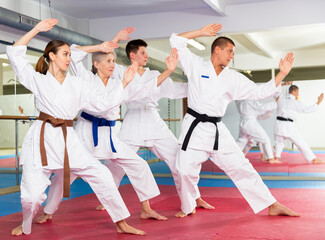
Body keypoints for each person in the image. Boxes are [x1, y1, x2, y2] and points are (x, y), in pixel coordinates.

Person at [7, 19, 144, 236]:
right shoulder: (37, 80)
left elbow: (102, 104)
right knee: (30, 197)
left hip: (68, 140)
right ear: (52, 56)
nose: (69, 59)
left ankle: (121, 221)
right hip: (42, 140)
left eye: (70, 55)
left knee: (102, 175)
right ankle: (26, 222)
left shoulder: (78, 84)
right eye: (65, 54)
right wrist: (35, 29)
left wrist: (124, 83)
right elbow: (15, 55)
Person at [36, 27, 177, 223]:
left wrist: (168, 71)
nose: (113, 65)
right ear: (96, 64)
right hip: (86, 134)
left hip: (109, 136)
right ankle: (48, 210)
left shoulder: (118, 83)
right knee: (65, 175)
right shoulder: (84, 78)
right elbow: (75, 52)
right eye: (109, 61)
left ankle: (145, 208)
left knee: (139, 165)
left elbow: (144, 91)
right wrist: (104, 44)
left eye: (113, 61)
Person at [169, 23, 300, 218]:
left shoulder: (233, 78)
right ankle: (189, 206)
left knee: (241, 166)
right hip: (194, 128)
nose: (232, 56)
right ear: (217, 50)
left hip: (216, 130)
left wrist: (281, 74)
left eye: (233, 53)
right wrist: (201, 33)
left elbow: (258, 92)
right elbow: (176, 42)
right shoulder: (195, 65)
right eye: (229, 51)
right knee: (183, 169)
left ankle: (271, 204)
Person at [105, 37, 214, 211]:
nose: (146, 55)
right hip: (132, 121)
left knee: (178, 161)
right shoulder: (120, 71)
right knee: (115, 163)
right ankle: (106, 198)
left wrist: (199, 85)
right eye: (143, 52)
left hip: (153, 121)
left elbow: (173, 90)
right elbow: (105, 64)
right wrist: (114, 40)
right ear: (132, 55)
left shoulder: (154, 75)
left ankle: (194, 197)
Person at [274, 84, 324, 163]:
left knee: (279, 142)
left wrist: (284, 84)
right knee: (301, 142)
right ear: (293, 91)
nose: (298, 94)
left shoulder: (280, 98)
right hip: (289, 125)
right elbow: (307, 109)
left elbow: (275, 88)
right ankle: (313, 159)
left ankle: (276, 158)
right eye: (297, 92)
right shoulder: (295, 102)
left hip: (279, 124)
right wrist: (318, 102)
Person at [235, 99, 280, 163]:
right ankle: (270, 158)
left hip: (243, 122)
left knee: (244, 142)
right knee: (265, 139)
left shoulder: (239, 100)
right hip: (250, 123)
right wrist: (276, 103)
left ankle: (236, 156)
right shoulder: (249, 100)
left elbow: (257, 110)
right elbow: (262, 107)